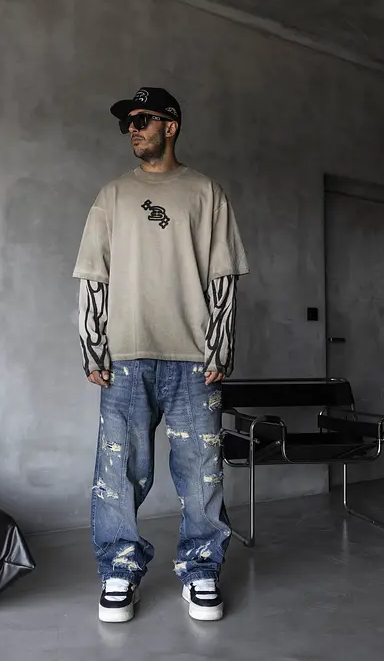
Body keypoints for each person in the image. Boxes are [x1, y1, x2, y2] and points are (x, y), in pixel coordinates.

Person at [73, 87, 249, 623]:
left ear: (170, 126)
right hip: (125, 357)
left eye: (143, 119)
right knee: (118, 472)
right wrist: (93, 347)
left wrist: (220, 346)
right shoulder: (112, 195)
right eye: (128, 121)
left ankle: (201, 570)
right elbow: (94, 275)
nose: (133, 128)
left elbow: (223, 275)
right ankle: (119, 571)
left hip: (194, 358)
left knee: (202, 472)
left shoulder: (206, 192)